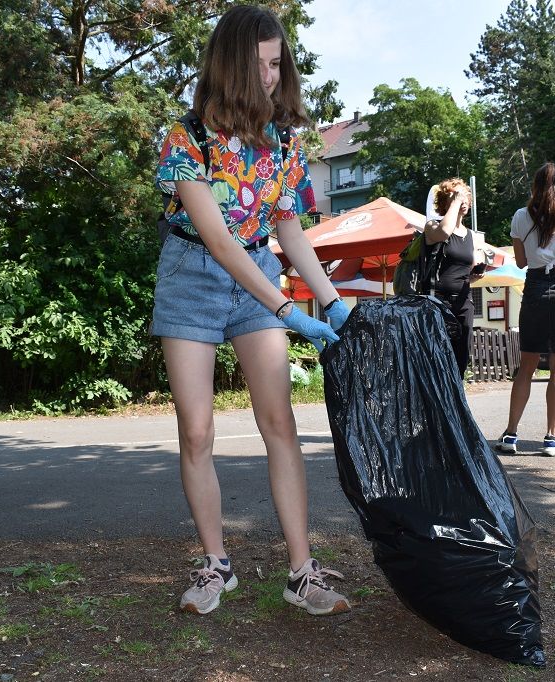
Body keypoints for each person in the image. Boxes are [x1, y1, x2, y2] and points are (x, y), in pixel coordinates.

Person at [153, 5, 350, 617]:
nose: (273, 75)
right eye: (262, 64)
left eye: (278, 63)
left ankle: (302, 573)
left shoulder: (286, 140)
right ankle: (216, 564)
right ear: (233, 64)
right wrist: (287, 309)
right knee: (196, 430)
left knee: (279, 422)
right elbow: (217, 240)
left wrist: (332, 302)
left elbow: (289, 229)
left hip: (258, 272)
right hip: (191, 276)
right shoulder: (186, 137)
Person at [496, 163, 555, 456]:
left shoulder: (521, 216)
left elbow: (521, 262)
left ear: (535, 186)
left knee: (527, 365)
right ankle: (551, 438)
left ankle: (511, 434)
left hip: (535, 287)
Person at [423, 178, 485, 378]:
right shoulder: (432, 226)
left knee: (461, 359)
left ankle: (457, 393)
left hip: (463, 302)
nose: (463, 200)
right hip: (437, 303)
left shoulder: (471, 235)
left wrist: (473, 277)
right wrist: (456, 202)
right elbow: (444, 233)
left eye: (465, 196)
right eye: (456, 196)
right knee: (438, 360)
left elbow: (463, 271)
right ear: (445, 202)